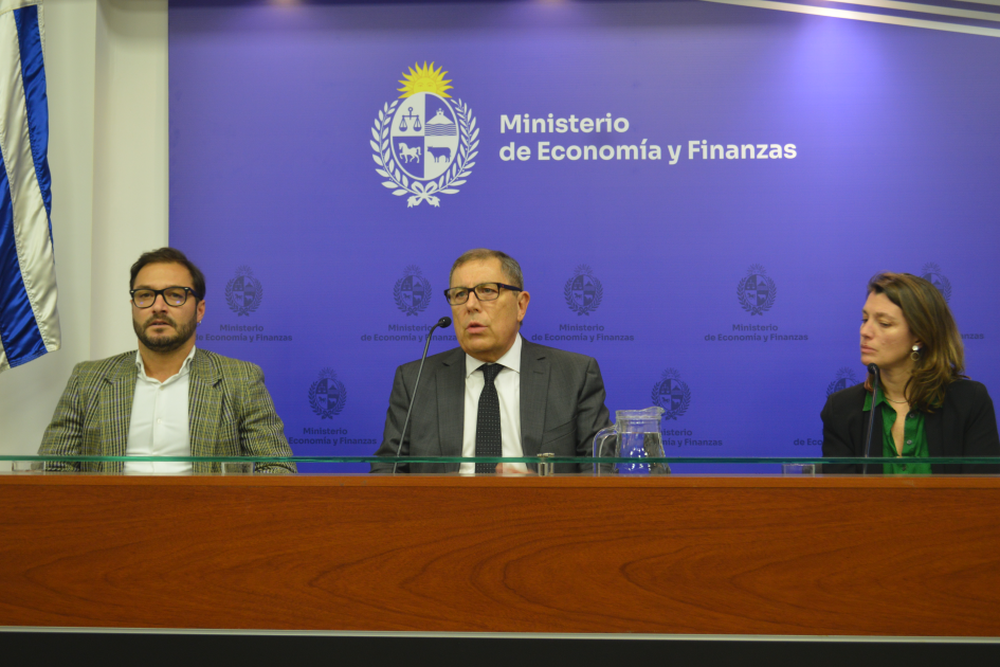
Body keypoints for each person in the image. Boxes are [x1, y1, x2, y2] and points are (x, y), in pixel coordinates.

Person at [39, 247, 295, 474]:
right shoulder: (88, 379)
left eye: (174, 295)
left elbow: (277, 468)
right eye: (145, 295)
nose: (158, 306)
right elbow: (52, 468)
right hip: (110, 522)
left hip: (206, 521)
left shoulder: (240, 379)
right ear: (133, 306)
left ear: (200, 310)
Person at [372, 249, 612, 474]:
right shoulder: (415, 379)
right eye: (459, 294)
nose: (470, 305)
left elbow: (601, 474)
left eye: (487, 291)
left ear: (521, 305)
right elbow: (387, 473)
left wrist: (541, 494)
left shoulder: (574, 375)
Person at [822, 272, 999, 474]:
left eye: (884, 323)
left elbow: (984, 497)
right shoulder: (841, 409)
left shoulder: (969, 402)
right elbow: (841, 500)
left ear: (919, 336)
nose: (865, 331)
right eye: (865, 319)